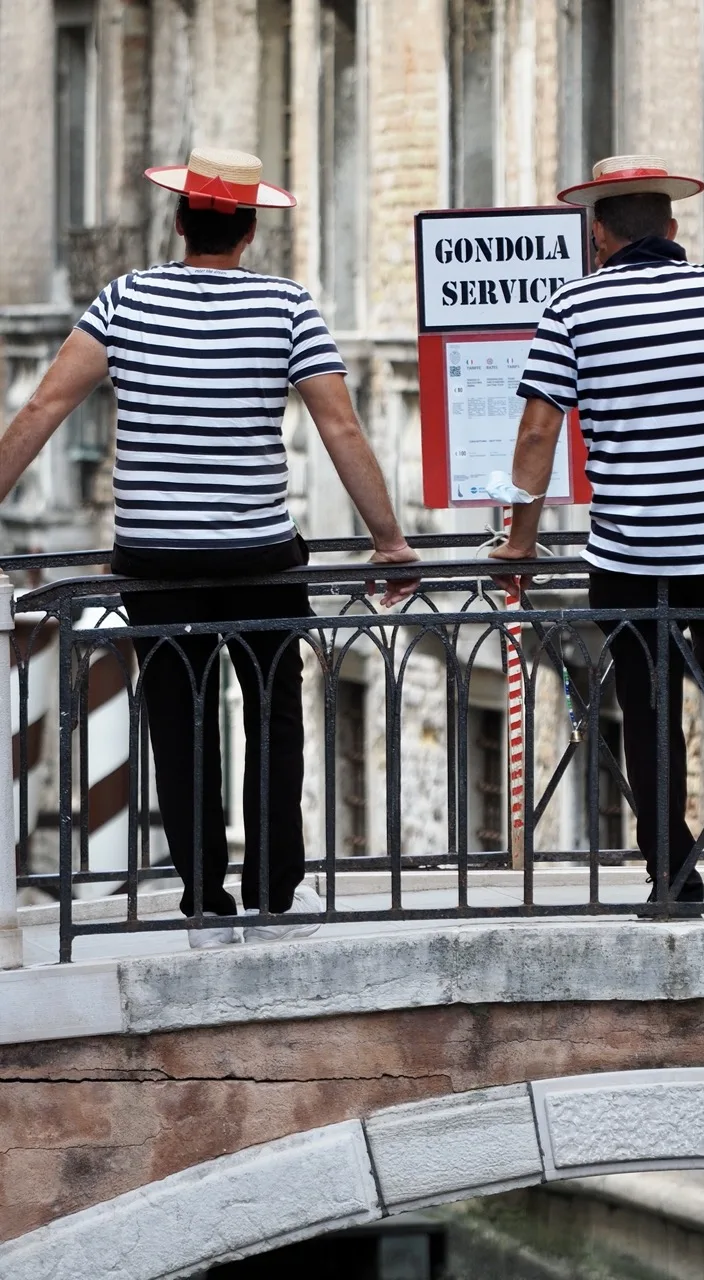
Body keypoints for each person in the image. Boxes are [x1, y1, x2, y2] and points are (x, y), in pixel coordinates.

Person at [0, 147, 419, 946]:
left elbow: (44, 408)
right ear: (250, 230)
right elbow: (339, 427)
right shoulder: (287, 307)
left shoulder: (125, 300)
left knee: (179, 720)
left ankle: (204, 902)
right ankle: (272, 897)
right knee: (273, 718)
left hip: (155, 561)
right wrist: (389, 541)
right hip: (259, 557)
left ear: (179, 221)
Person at [491, 154, 704, 911]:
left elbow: (538, 434)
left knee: (648, 701)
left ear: (598, 235)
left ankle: (674, 874)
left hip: (634, 547)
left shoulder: (572, 308)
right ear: (673, 227)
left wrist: (519, 544)